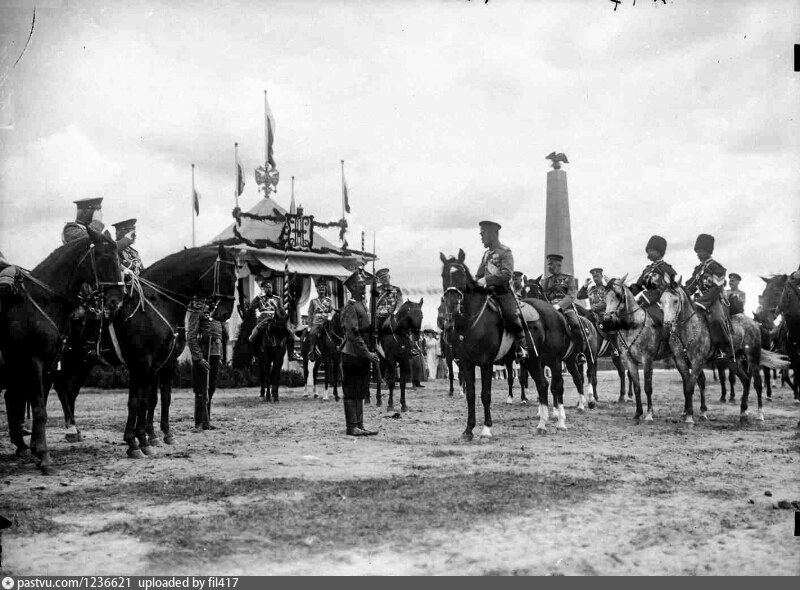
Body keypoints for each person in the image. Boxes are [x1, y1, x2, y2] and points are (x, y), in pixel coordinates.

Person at [475, 220, 528, 359]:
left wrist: (486, 280)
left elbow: (506, 274)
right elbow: (478, 275)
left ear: (493, 234)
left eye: (483, 234)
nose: (481, 237)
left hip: (502, 292)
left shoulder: (505, 252)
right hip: (487, 293)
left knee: (511, 315)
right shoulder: (486, 255)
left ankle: (522, 345)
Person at [340, 271, 379, 436]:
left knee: (360, 390)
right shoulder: (351, 307)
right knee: (351, 391)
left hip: (361, 355)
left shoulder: (362, 304)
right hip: (353, 354)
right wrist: (367, 353)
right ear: (353, 287)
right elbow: (353, 334)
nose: (364, 285)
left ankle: (359, 425)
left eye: (364, 283)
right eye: (360, 283)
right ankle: (352, 427)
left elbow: (363, 329)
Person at [685, 233, 732, 360]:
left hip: (713, 300)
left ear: (707, 251)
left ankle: (724, 348)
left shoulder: (718, 268)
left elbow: (716, 288)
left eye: (700, 251)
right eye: (697, 252)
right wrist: (681, 292)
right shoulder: (698, 269)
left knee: (716, 319)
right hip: (699, 300)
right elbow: (691, 285)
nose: (698, 254)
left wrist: (701, 302)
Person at [186, 296, 223, 431]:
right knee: (201, 389)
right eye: (213, 301)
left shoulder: (218, 317)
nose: (215, 304)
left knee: (211, 388)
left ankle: (206, 421)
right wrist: (199, 358)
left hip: (214, 355)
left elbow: (219, 338)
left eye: (217, 302)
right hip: (203, 356)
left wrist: (220, 356)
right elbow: (191, 337)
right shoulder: (198, 313)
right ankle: (199, 422)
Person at [249, 278, 302, 362]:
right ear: (263, 288)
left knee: (290, 334)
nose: (269, 289)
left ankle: (291, 354)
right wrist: (257, 297)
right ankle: (255, 356)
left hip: (276, 320)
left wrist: (285, 317)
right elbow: (251, 307)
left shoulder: (277, 299)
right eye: (267, 287)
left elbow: (282, 311)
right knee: (253, 336)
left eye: (270, 287)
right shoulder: (260, 298)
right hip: (263, 320)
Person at [541, 253, 584, 353]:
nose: (549, 267)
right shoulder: (547, 281)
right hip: (549, 308)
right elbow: (545, 296)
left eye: (551, 264)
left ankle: (580, 353)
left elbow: (571, 296)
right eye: (548, 264)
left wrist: (558, 306)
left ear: (558, 265)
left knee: (575, 325)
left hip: (566, 309)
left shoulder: (568, 278)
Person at [629, 235, 676, 323]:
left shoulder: (666, 269)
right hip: (644, 302)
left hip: (659, 304)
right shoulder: (647, 269)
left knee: (661, 325)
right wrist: (626, 293)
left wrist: (647, 298)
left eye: (651, 251)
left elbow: (665, 289)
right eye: (648, 251)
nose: (648, 253)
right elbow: (638, 286)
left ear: (659, 252)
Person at [306, 280, 333, 361]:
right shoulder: (313, 301)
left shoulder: (329, 300)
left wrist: (330, 317)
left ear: (325, 290)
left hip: (327, 322)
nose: (322, 289)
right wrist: (310, 325)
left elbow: (332, 311)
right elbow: (310, 313)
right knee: (312, 333)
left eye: (323, 288)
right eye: (320, 288)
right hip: (317, 322)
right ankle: (311, 351)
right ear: (317, 290)